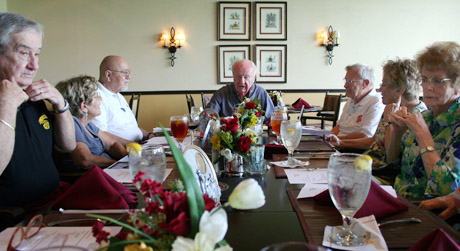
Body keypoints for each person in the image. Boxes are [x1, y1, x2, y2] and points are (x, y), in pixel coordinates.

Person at [0, 12, 76, 207]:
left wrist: (61, 104)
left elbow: (68, 146)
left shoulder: (34, 98)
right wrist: (7, 104)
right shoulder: (6, 102)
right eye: (24, 53)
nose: (34, 65)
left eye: (37, 54)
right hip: (13, 219)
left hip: (52, 204)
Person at [386, 42, 460, 198]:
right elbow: (392, 166)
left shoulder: (456, 125)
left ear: (457, 85)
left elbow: (446, 190)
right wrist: (397, 134)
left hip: (428, 213)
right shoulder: (425, 117)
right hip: (398, 198)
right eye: (424, 79)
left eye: (437, 81)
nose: (427, 87)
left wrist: (423, 135)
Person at [329, 59, 427, 166]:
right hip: (368, 160)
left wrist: (390, 123)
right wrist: (340, 142)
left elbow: (391, 160)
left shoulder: (416, 118)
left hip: (382, 171)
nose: (380, 89)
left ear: (399, 90)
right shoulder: (390, 108)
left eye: (383, 84)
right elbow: (374, 141)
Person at [55, 75, 128, 173]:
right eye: (96, 96)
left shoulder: (88, 124)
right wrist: (118, 165)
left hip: (108, 171)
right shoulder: (74, 123)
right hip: (87, 178)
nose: (101, 99)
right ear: (84, 106)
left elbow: (112, 144)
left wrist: (128, 160)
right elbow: (85, 160)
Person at [92, 55, 151, 145]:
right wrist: (135, 146)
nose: (129, 76)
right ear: (108, 75)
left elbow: (131, 127)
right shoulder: (96, 97)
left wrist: (149, 136)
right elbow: (101, 135)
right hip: (124, 151)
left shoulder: (119, 95)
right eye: (125, 72)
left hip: (139, 144)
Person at [328, 64, 384, 140]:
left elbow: (365, 136)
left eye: (350, 81)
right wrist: (328, 138)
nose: (345, 85)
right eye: (345, 80)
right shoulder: (351, 99)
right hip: (339, 143)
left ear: (365, 83)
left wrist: (338, 140)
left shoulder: (376, 102)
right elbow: (339, 126)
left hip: (352, 147)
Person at [206, 59, 274, 121]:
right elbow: (207, 118)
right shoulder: (221, 94)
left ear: (253, 78)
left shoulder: (261, 93)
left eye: (246, 77)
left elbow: (272, 118)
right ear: (233, 77)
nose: (242, 81)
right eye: (238, 76)